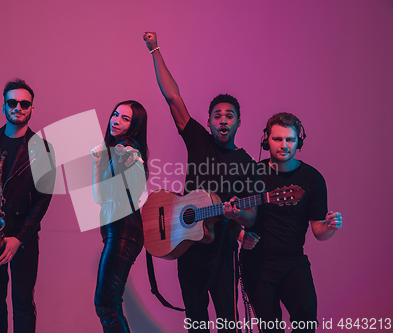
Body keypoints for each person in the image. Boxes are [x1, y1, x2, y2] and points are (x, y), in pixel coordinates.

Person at [143, 32, 257, 333]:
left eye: (229, 116)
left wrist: (237, 214)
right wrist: (154, 49)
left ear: (238, 122)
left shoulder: (247, 164)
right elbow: (173, 98)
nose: (222, 120)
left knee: (228, 321)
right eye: (216, 115)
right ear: (207, 122)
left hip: (223, 251)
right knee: (195, 319)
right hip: (187, 245)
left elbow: (251, 214)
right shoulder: (199, 142)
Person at [0, 78, 55, 333]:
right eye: (12, 102)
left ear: (31, 109)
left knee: (24, 304)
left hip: (22, 239)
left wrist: (20, 238)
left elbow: (43, 199)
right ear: (3, 107)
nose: (18, 107)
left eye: (24, 103)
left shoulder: (44, 149)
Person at [240, 112, 343, 333]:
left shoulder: (313, 179)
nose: (284, 145)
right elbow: (237, 214)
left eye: (290, 139)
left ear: (299, 142)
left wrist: (330, 227)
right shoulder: (253, 173)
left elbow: (318, 230)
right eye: (278, 139)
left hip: (293, 261)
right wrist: (240, 234)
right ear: (266, 141)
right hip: (257, 263)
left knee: (306, 319)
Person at [91, 100, 149, 333]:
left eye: (125, 118)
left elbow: (136, 191)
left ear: (134, 126)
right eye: (116, 114)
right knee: (108, 304)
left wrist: (132, 159)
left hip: (124, 232)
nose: (116, 120)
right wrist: (97, 166)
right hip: (116, 232)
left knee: (107, 304)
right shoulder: (115, 151)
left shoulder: (127, 149)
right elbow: (98, 197)